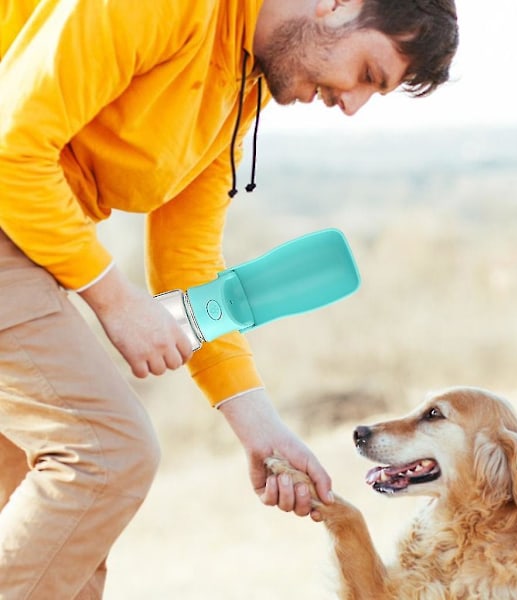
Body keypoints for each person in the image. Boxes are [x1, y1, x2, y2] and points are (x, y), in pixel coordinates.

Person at [0, 0, 458, 597]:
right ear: (336, 5)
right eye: (369, 74)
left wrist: (260, 428)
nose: (351, 103)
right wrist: (114, 301)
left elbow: (188, 266)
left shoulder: (241, 83)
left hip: (28, 239)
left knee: (64, 541)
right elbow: (11, 150)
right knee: (105, 456)